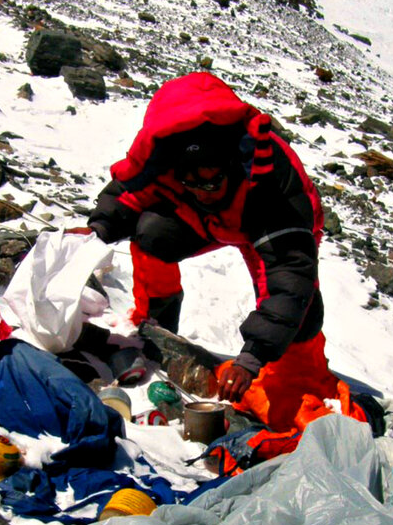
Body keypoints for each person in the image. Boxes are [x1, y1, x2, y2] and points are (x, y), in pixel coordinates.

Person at [83, 72, 338, 431]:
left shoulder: (271, 180)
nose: (203, 189)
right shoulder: (168, 159)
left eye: (212, 179)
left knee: (302, 311)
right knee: (153, 233)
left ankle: (302, 382)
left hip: (260, 218)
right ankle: (156, 327)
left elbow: (290, 275)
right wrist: (97, 230)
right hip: (210, 221)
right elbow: (128, 194)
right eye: (191, 182)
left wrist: (251, 359)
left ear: (230, 163)